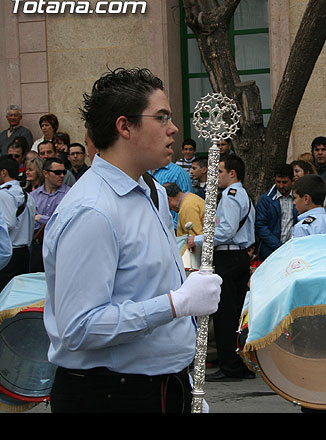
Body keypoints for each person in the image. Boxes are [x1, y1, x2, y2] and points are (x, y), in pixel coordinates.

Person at [42, 67, 222, 413]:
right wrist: (175, 304)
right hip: (111, 393)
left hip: (164, 384)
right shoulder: (92, 211)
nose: (173, 129)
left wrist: (189, 274)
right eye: (162, 118)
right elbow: (79, 327)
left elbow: (148, 278)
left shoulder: (150, 189)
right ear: (125, 127)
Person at [202, 153, 255, 382]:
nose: (217, 176)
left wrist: (201, 240)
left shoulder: (232, 195)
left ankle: (230, 367)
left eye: (220, 171)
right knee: (235, 314)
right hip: (237, 257)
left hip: (229, 257)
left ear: (232, 173)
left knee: (226, 315)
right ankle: (240, 364)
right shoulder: (240, 194)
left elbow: (226, 230)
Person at [29, 157, 71, 272]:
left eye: (64, 172)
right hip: (37, 246)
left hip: (58, 246)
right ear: (45, 173)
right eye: (57, 172)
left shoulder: (70, 194)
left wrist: (40, 218)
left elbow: (63, 220)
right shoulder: (33, 196)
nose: (62, 175)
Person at [0, 155, 36, 290]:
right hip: (24, 252)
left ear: (4, 172)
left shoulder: (3, 194)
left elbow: (8, 223)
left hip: (9, 253)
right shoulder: (28, 196)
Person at [255, 164, 297, 261]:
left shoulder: (299, 198)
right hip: (270, 251)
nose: (281, 185)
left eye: (285, 182)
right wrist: (278, 246)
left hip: (293, 249)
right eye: (278, 182)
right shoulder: (266, 200)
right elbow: (260, 226)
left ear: (293, 180)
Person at [148, 151, 193, 229]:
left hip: (171, 228)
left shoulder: (178, 173)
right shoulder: (143, 172)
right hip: (149, 227)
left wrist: (175, 229)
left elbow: (185, 203)